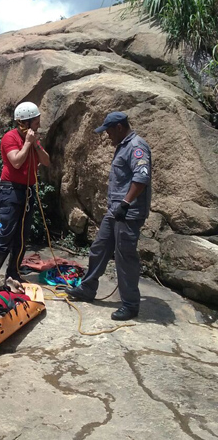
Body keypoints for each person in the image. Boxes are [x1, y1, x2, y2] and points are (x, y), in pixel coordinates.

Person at [66, 111, 152, 321]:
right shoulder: (123, 146)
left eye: (109, 131)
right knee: (99, 247)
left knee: (124, 257)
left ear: (120, 128)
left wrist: (125, 203)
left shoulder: (136, 147)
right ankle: (88, 288)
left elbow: (141, 178)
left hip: (128, 213)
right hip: (115, 210)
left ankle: (130, 305)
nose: (107, 136)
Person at [0, 101, 50, 290]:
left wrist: (35, 144)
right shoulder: (9, 138)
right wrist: (28, 143)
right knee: (7, 234)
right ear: (26, 123)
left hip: (27, 192)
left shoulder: (34, 140)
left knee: (22, 235)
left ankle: (13, 272)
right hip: (10, 190)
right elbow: (16, 162)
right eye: (36, 122)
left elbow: (46, 161)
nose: (39, 125)